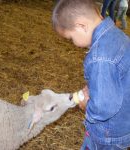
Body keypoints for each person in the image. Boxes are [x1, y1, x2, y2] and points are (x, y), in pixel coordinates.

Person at [52, 0, 130, 149]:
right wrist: (94, 88)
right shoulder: (117, 36)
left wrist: (87, 104)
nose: (73, 43)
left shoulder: (99, 57)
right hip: (124, 122)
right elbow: (118, 78)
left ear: (81, 26)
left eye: (71, 39)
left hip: (107, 134)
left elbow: (103, 108)